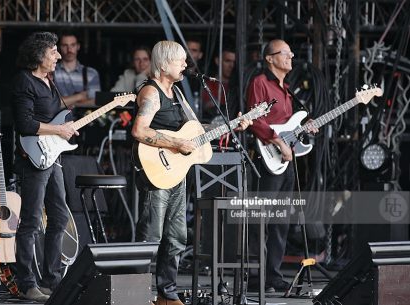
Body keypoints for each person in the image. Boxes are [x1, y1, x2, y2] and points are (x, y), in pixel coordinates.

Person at [132, 40, 251, 305]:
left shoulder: (179, 94)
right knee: (152, 234)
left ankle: (167, 293)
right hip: (156, 170)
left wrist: (232, 127)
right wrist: (175, 143)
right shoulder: (151, 93)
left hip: (176, 172)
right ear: (164, 64)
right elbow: (139, 131)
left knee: (177, 236)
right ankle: (137, 293)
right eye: (180, 61)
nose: (186, 65)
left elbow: (193, 132)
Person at [246, 39, 318, 293]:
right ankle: (256, 278)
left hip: (286, 161)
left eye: (291, 52)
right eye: (285, 53)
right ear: (269, 58)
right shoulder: (260, 83)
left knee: (281, 221)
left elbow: (288, 126)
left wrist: (305, 128)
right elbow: (254, 119)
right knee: (260, 221)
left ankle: (273, 276)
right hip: (267, 158)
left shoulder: (286, 90)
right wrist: (278, 142)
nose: (291, 56)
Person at [12, 32, 78, 302]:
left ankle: (53, 280)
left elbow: (55, 119)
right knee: (30, 222)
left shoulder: (49, 81)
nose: (59, 56)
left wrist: (68, 128)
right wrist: (58, 129)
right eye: (53, 51)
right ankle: (27, 284)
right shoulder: (24, 81)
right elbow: (25, 123)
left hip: (53, 158)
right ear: (39, 55)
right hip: (34, 158)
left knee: (60, 217)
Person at [53, 32, 101, 107]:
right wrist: (79, 97)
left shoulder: (91, 74)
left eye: (73, 45)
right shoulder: (51, 72)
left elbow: (95, 102)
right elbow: (49, 104)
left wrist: (67, 102)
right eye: (65, 45)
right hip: (57, 118)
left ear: (78, 46)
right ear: (59, 47)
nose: (69, 50)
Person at [201, 48, 236, 120]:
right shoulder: (207, 85)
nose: (231, 66)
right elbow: (207, 107)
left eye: (234, 62)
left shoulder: (237, 87)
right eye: (227, 61)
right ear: (217, 61)